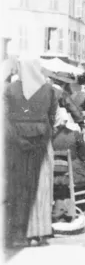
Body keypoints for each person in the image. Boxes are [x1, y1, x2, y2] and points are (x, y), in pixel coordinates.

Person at [4, 58, 58, 248]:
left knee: (20, 188)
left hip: (17, 145)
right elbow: (53, 117)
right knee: (42, 188)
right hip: (42, 145)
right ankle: (40, 233)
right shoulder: (49, 89)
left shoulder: (10, 89)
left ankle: (20, 234)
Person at [52, 108, 85, 218]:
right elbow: (84, 156)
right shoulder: (75, 134)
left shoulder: (50, 138)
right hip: (74, 173)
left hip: (56, 175)